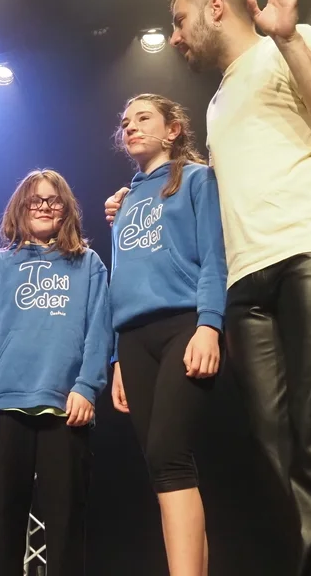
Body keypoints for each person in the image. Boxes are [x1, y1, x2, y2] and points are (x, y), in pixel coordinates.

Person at [104, 0, 311, 576]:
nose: (175, 37)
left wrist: (289, 37)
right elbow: (207, 200)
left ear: (216, 8)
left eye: (180, 21)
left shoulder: (294, 44)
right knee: (275, 453)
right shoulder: (221, 99)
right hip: (246, 279)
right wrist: (135, 201)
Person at [0, 169, 113, 576]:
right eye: (35, 200)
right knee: (1, 528)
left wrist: (87, 386)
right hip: (4, 409)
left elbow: (100, 332)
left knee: (66, 528)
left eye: (54, 200)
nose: (44, 207)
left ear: (67, 209)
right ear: (20, 208)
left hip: (67, 408)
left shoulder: (88, 264)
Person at [107, 95, 226, 576]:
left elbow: (214, 256)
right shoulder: (124, 201)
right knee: (162, 466)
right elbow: (123, 276)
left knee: (168, 453)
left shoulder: (197, 179)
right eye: (125, 122)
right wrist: (116, 357)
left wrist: (209, 325)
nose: (130, 127)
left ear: (173, 129)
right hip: (133, 338)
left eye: (143, 118)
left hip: (183, 325)